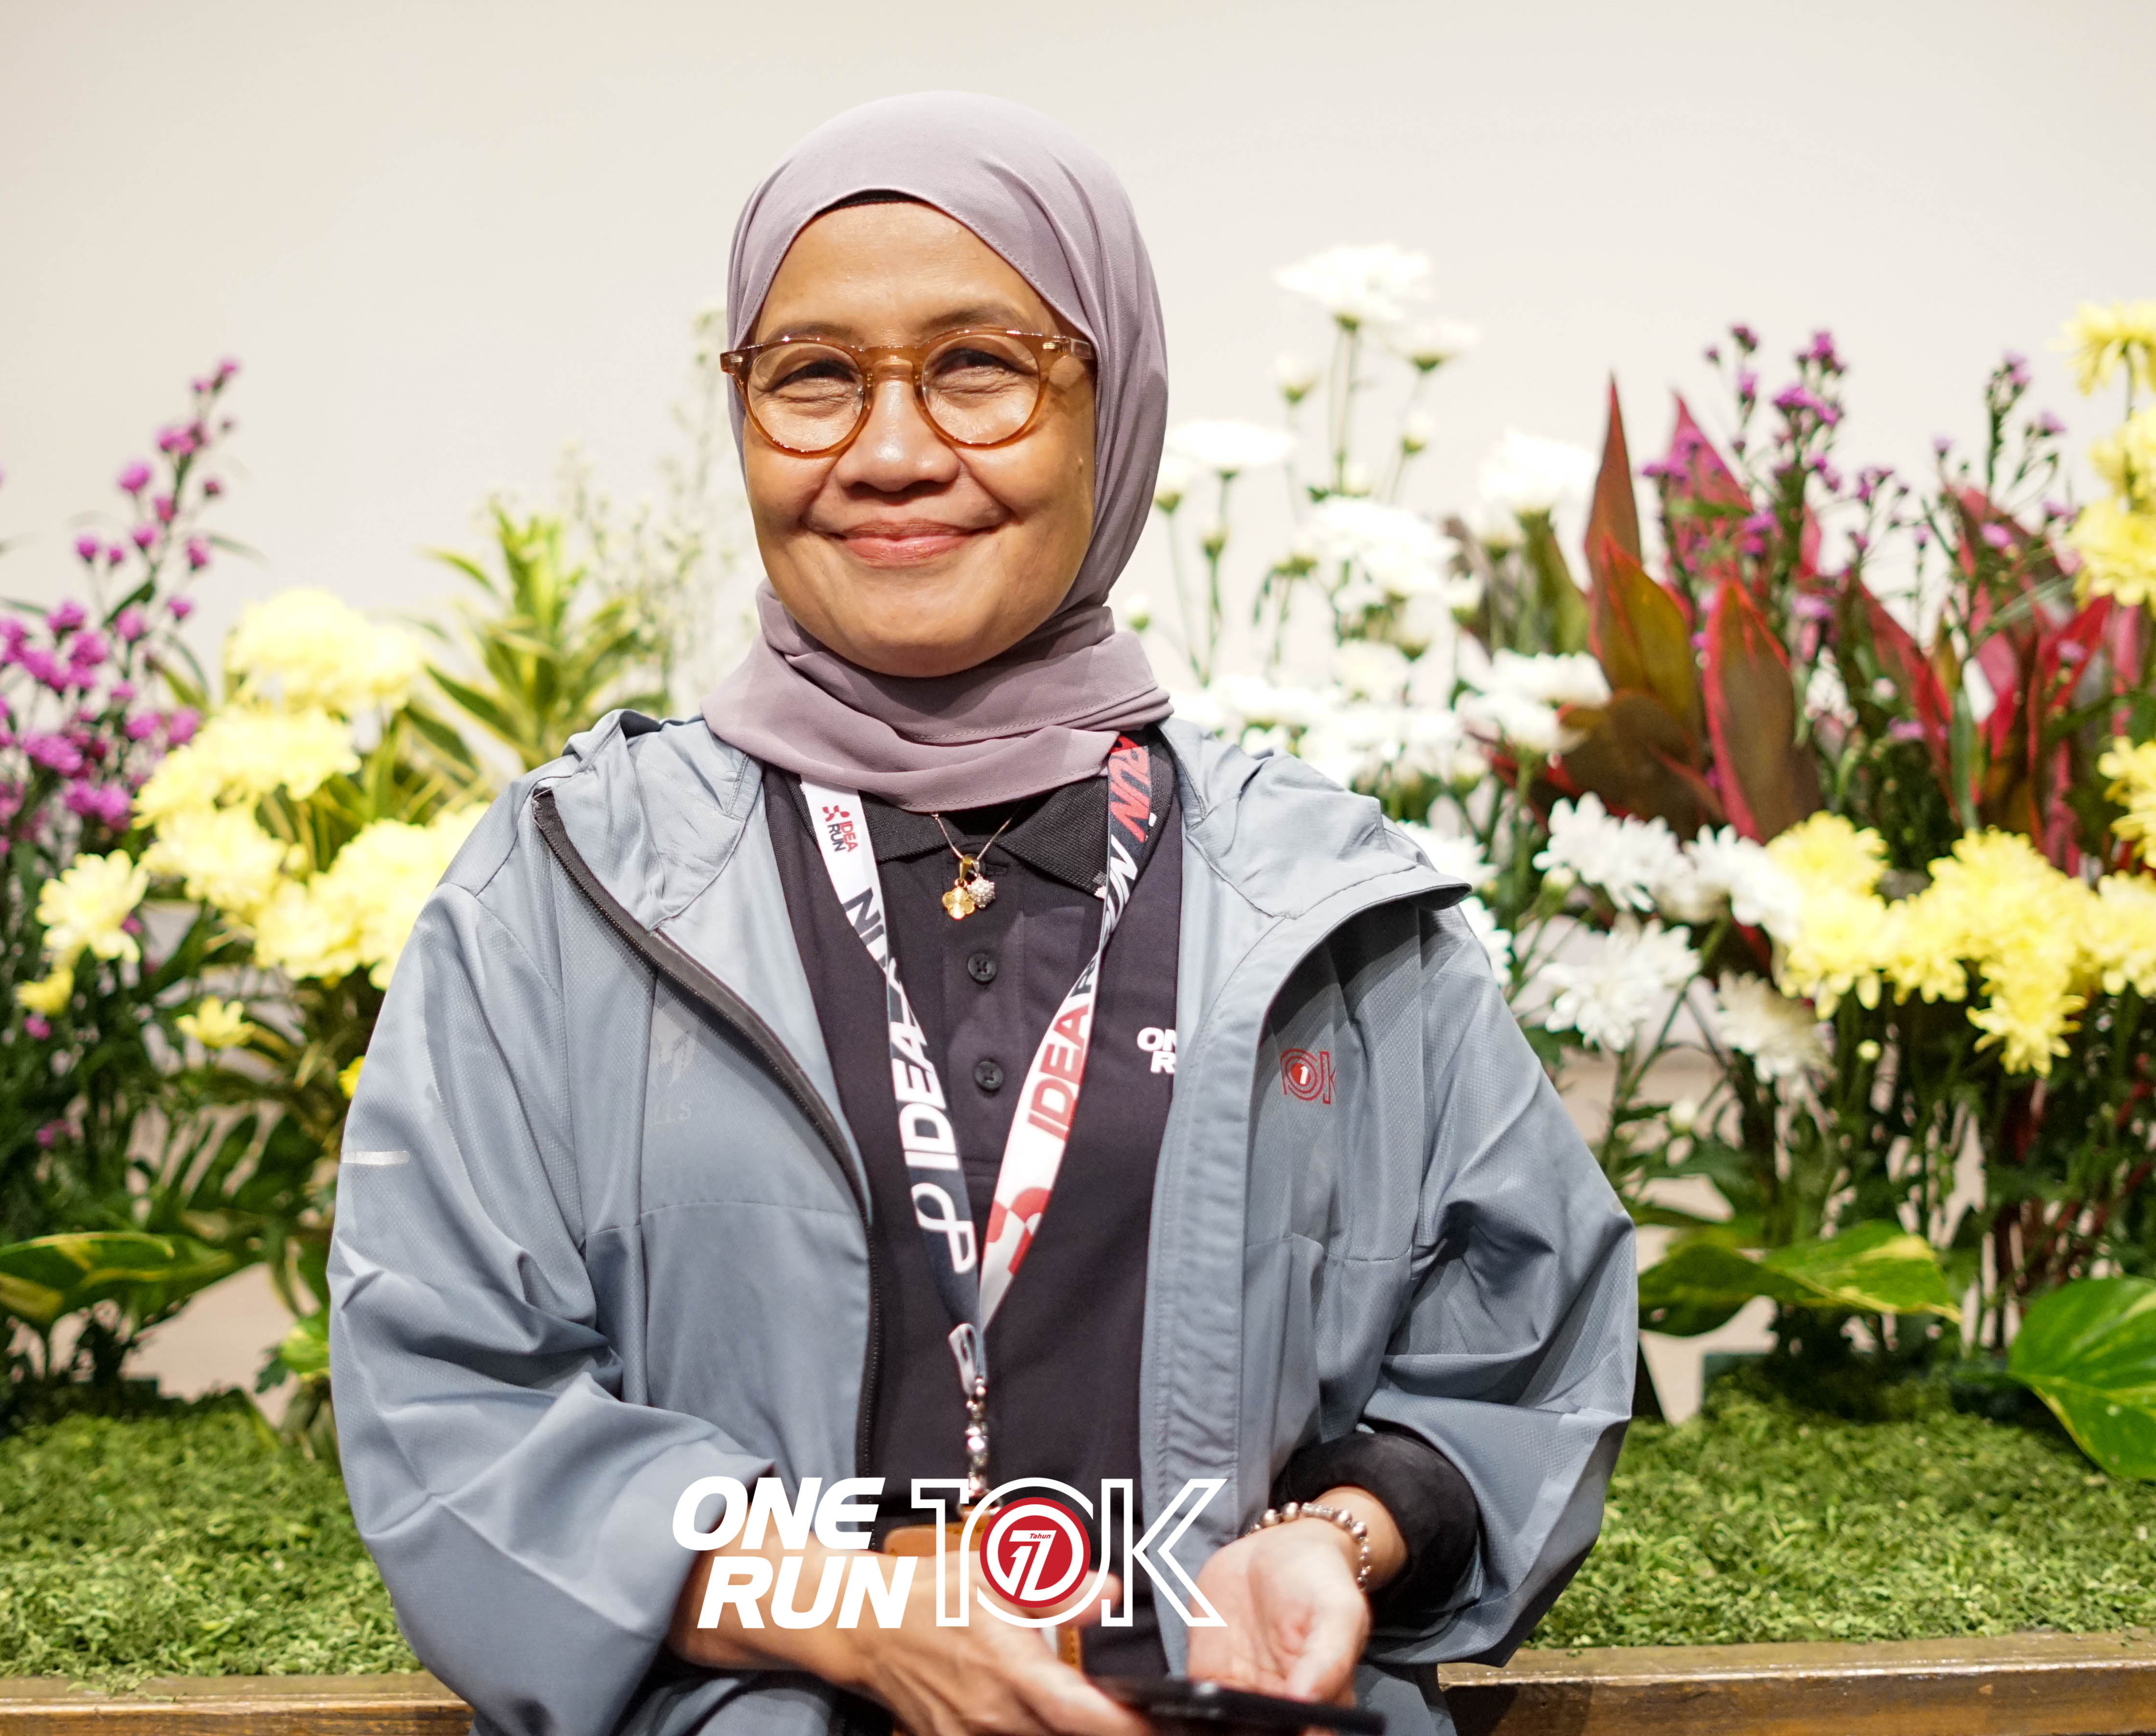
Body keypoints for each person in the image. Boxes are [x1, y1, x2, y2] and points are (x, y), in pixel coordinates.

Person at [329, 92, 1635, 1736]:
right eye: (813, 376)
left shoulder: (1328, 902)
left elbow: (1520, 1361)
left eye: (978, 367)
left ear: (1115, 401)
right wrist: (849, 1611)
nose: (890, 450)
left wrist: (1344, 1538)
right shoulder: (563, 895)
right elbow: (451, 1404)